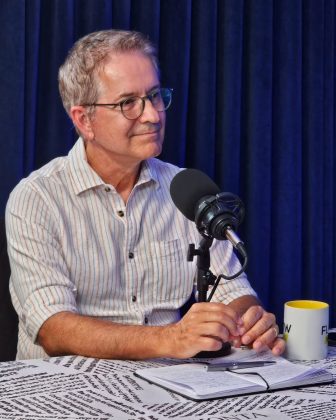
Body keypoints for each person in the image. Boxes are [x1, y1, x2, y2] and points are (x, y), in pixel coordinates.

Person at [6, 29, 285, 360]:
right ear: (84, 120)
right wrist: (169, 338)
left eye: (154, 96)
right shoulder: (37, 199)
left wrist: (249, 321)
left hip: (170, 388)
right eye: (128, 103)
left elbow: (233, 291)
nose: (153, 115)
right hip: (66, 393)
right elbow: (54, 329)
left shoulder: (186, 188)